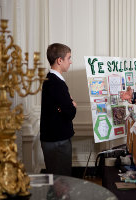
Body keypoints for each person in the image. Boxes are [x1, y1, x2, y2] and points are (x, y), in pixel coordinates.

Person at [40, 43, 77, 176]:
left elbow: (64, 109)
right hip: (57, 141)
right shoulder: (56, 83)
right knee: (61, 181)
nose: (71, 61)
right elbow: (70, 112)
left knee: (58, 180)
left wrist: (67, 105)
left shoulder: (51, 79)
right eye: (69, 58)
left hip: (54, 139)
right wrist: (72, 104)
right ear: (59, 60)